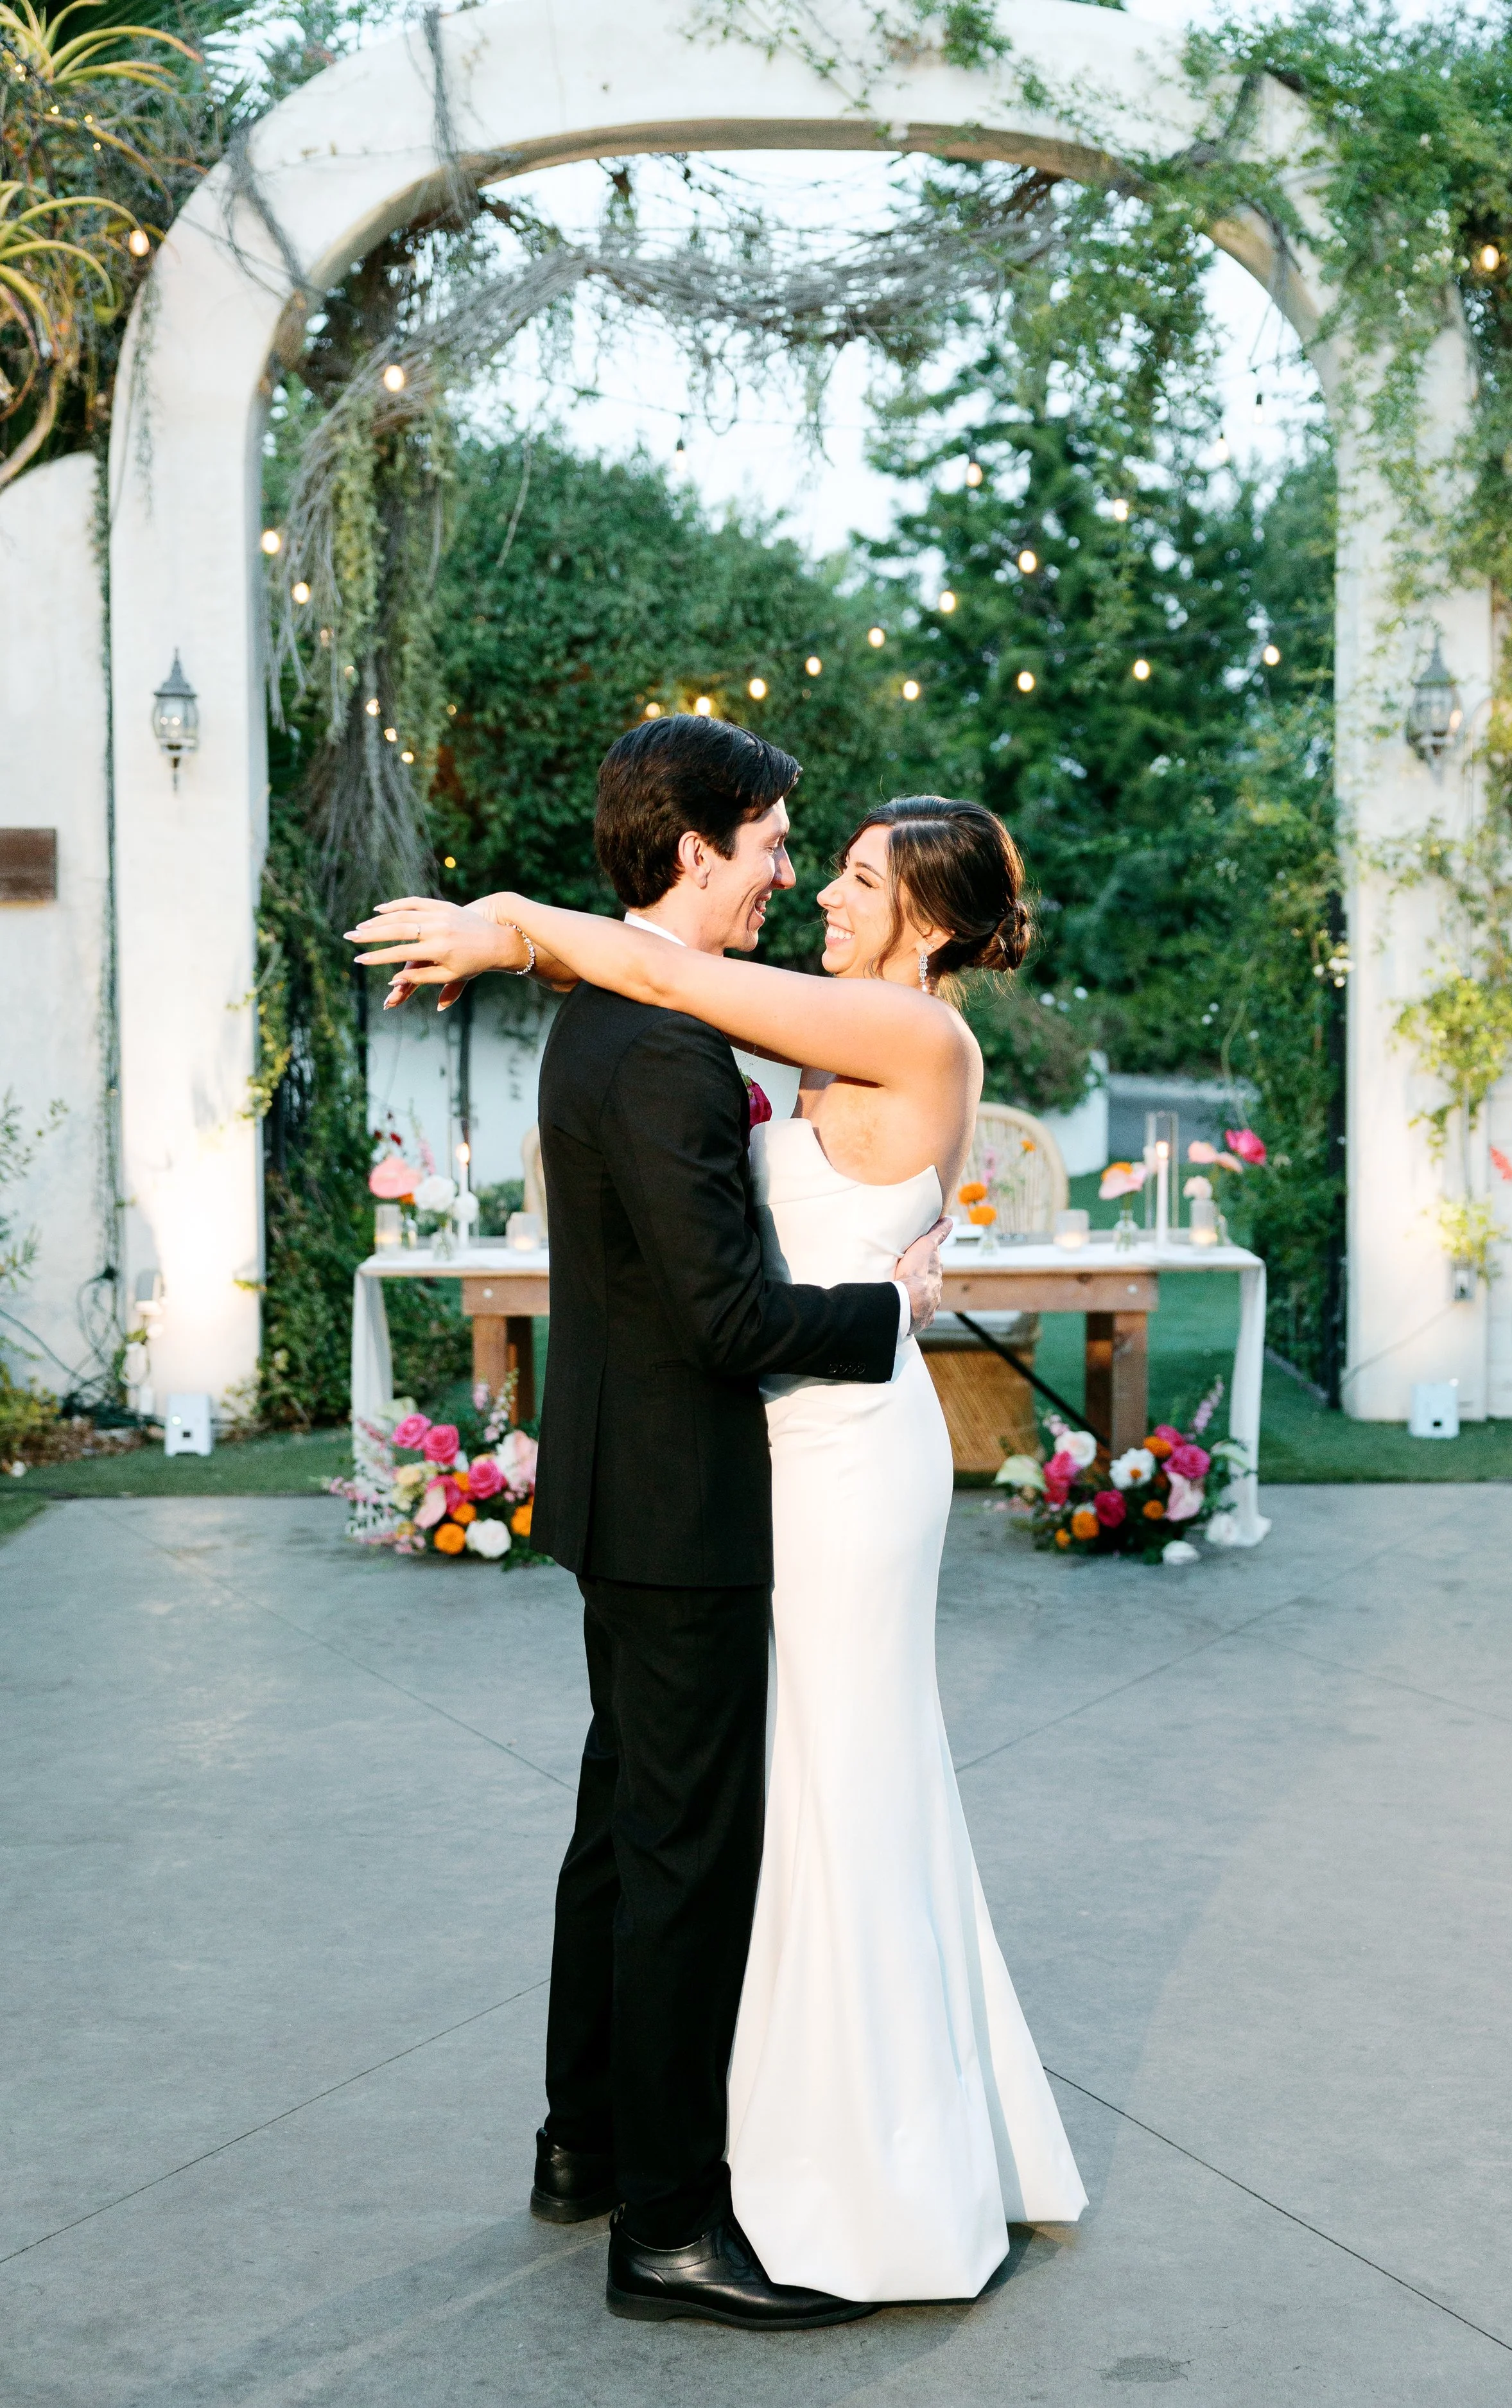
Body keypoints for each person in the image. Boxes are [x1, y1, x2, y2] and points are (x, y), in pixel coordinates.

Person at [349, 759, 1087, 2314]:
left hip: (836, 1466)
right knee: (694, 1823)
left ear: (930, 925)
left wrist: (507, 925)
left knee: (814, 1792)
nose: (809, 881)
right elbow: (666, 987)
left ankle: (785, 2153)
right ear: (699, 850)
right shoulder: (747, 1028)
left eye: (856, 876)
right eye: (790, 852)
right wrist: (884, 1305)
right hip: (738, 1464)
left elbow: (661, 971)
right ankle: (658, 2186)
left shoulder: (906, 1035)